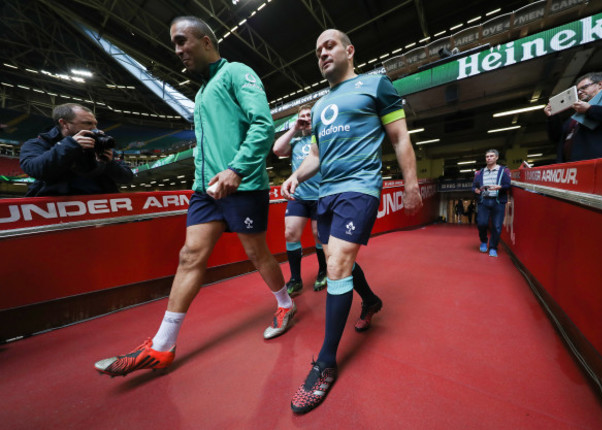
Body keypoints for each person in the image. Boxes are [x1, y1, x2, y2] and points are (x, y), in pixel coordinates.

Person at [94, 16, 294, 377]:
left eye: (182, 41)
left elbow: (264, 124)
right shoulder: (201, 93)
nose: (177, 50)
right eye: (174, 44)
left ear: (205, 41)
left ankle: (285, 303)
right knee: (189, 256)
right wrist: (204, 181)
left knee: (255, 252)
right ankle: (162, 345)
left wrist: (236, 169)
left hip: (243, 183)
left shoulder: (237, 72)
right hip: (206, 191)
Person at [281, 29, 423, 414]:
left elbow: (399, 137)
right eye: (317, 50)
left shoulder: (376, 85)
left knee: (338, 265)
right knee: (335, 262)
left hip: (359, 188)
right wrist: (297, 175)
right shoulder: (323, 102)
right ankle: (372, 300)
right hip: (326, 192)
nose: (322, 53)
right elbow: (316, 156)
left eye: (329, 45)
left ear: (349, 50)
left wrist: (411, 184)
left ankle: (325, 363)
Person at [19, 103, 133, 196]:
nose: (95, 129)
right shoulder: (39, 143)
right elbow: (34, 169)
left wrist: (109, 163)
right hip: (57, 210)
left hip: (100, 208)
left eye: (95, 124)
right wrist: (70, 145)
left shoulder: (99, 143)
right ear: (64, 123)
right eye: (87, 123)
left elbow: (127, 178)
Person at [272, 103, 327, 295]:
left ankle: (323, 271)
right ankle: (295, 279)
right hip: (299, 197)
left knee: (318, 234)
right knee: (290, 233)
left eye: (309, 115)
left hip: (320, 195)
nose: (306, 118)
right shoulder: (295, 143)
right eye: (303, 115)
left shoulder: (322, 139)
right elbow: (277, 149)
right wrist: (295, 127)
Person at [472, 149, 511, 257]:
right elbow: (473, 186)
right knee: (481, 223)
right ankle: (484, 241)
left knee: (497, 226)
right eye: (487, 156)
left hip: (498, 202)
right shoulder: (479, 172)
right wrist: (475, 190)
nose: (488, 158)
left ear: (496, 158)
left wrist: (500, 187)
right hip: (484, 201)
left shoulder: (503, 170)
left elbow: (508, 185)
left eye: (491, 156)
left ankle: (493, 247)